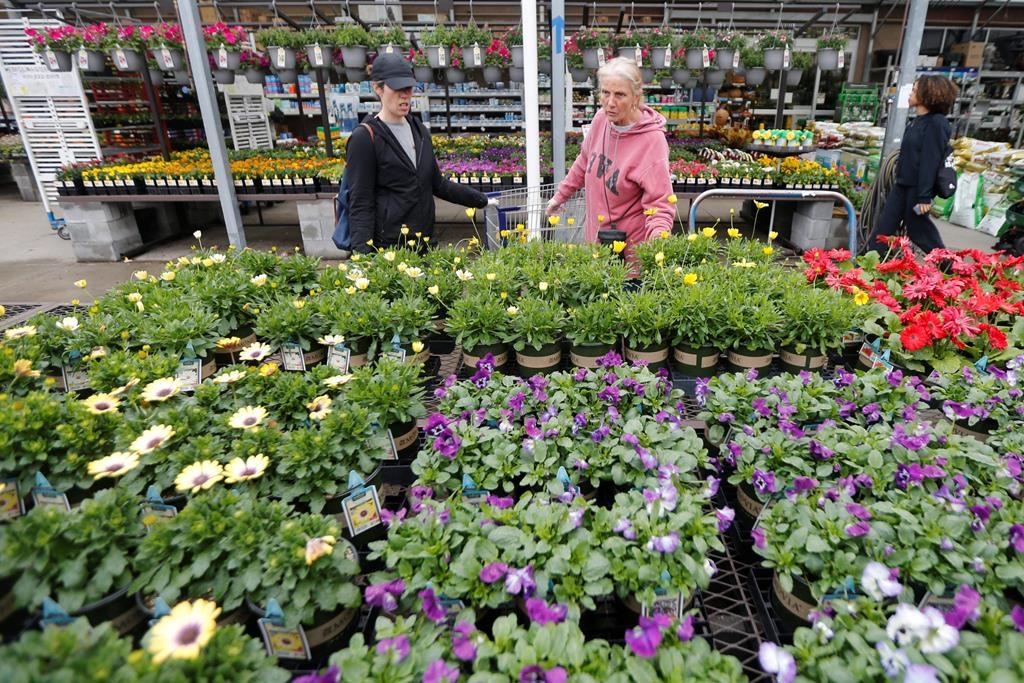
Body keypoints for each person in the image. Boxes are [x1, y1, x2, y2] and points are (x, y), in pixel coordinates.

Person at [345, 52, 491, 254]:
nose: (405, 94)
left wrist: (481, 200)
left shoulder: (419, 130)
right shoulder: (365, 138)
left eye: (408, 88)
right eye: (397, 88)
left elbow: (436, 183)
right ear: (378, 88)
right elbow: (361, 202)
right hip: (389, 249)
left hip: (424, 242)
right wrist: (362, 259)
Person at [545, 57, 673, 247]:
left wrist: (658, 244)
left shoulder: (652, 141)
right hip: (596, 241)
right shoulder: (601, 119)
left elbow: (660, 204)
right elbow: (584, 161)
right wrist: (560, 196)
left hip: (629, 249)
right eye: (605, 93)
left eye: (620, 95)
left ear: (636, 97)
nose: (610, 102)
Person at [866, 75, 959, 255]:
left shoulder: (936, 124)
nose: (910, 93)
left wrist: (924, 196)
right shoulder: (916, 122)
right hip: (902, 185)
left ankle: (950, 267)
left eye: (915, 90)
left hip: (917, 189)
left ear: (927, 94)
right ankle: (867, 266)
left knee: (920, 231)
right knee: (883, 229)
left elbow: (929, 161)